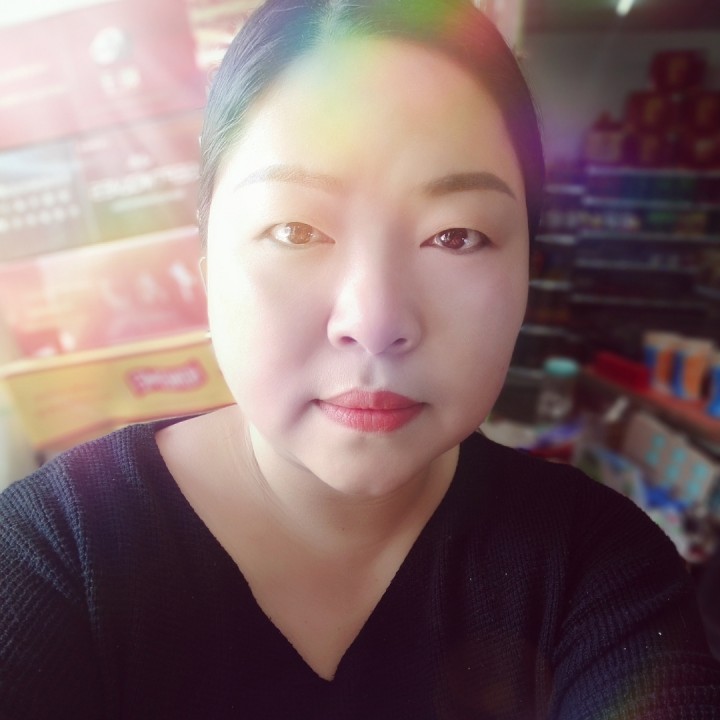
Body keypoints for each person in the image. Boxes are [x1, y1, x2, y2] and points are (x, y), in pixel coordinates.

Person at [1, 0, 719, 717]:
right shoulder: (50, 559)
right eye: (295, 230)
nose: (375, 324)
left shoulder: (597, 565)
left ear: (526, 270)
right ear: (206, 263)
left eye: (457, 236)